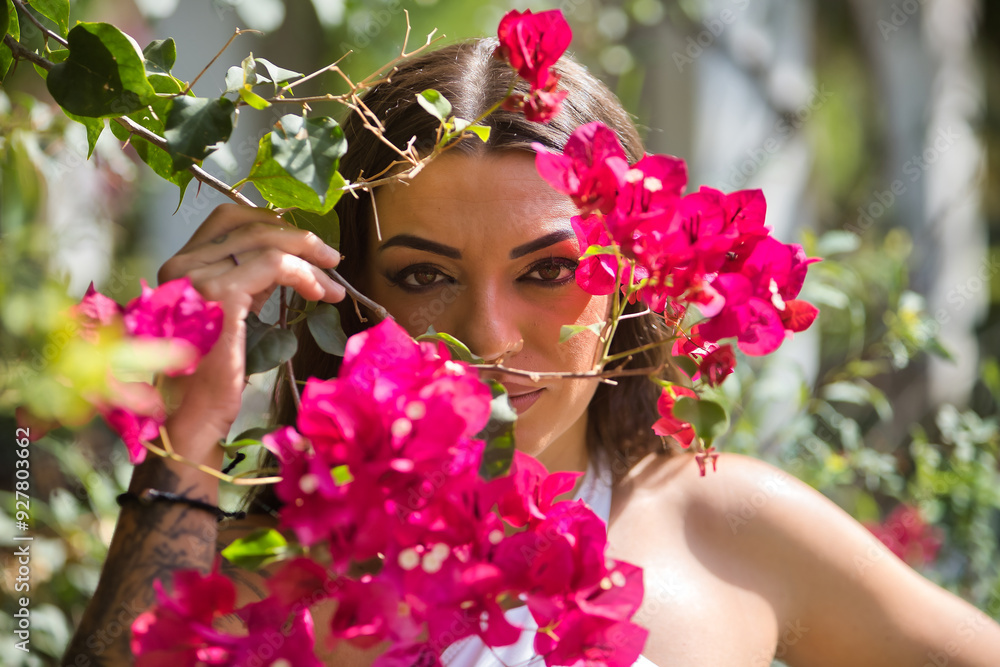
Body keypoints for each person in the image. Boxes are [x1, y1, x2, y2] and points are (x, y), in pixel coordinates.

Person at [63, 37, 1000, 667]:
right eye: (425, 276)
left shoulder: (730, 526)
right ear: (350, 296)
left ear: (633, 276)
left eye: (548, 270)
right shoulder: (271, 575)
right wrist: (181, 435)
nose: (491, 336)